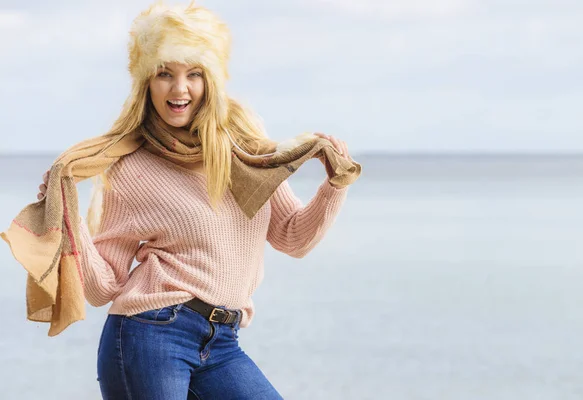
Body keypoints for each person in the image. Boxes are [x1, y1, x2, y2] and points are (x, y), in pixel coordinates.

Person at [31, 2, 356, 400]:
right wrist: (70, 219)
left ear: (211, 80)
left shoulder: (244, 150)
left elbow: (293, 237)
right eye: (164, 73)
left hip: (222, 342)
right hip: (150, 333)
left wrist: (335, 184)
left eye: (194, 74)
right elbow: (104, 287)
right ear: (146, 82)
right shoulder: (132, 168)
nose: (179, 89)